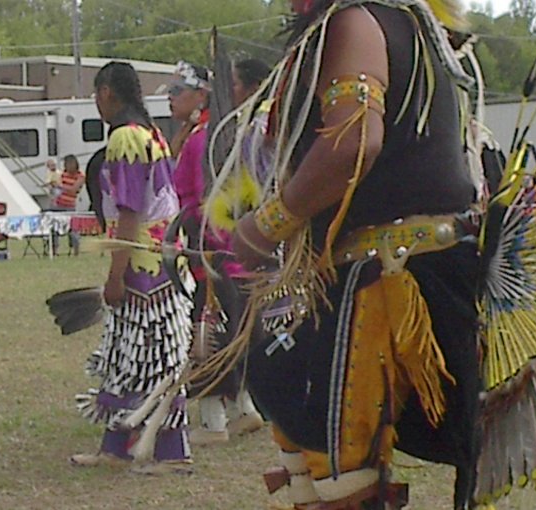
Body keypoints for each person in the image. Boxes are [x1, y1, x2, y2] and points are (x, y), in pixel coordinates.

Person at [204, 0, 482, 507]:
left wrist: (265, 227)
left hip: (384, 283)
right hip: (394, 273)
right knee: (309, 466)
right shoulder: (410, 25)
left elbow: (353, 143)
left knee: (338, 482)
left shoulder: (355, 21)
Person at [70, 61, 195, 475]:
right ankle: (117, 445)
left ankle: (172, 452)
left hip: (144, 262)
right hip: (165, 257)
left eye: (96, 93)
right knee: (130, 353)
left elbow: (129, 210)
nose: (96, 101)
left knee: (150, 354)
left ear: (107, 92)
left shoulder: (126, 138)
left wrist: (115, 273)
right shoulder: (151, 133)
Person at [170, 61, 265, 446]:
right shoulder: (246, 136)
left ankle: (213, 423)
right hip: (249, 252)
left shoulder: (202, 141)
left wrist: (195, 238)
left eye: (178, 90)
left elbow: (193, 200)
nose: (172, 97)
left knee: (206, 333)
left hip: (214, 254)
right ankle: (245, 410)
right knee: (236, 331)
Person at [51, 155, 85, 255]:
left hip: (70, 206)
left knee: (73, 230)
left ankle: (76, 250)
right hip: (58, 204)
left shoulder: (80, 176)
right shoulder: (63, 174)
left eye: (68, 164)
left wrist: (61, 187)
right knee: (54, 229)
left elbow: (73, 190)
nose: (66, 166)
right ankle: (54, 250)